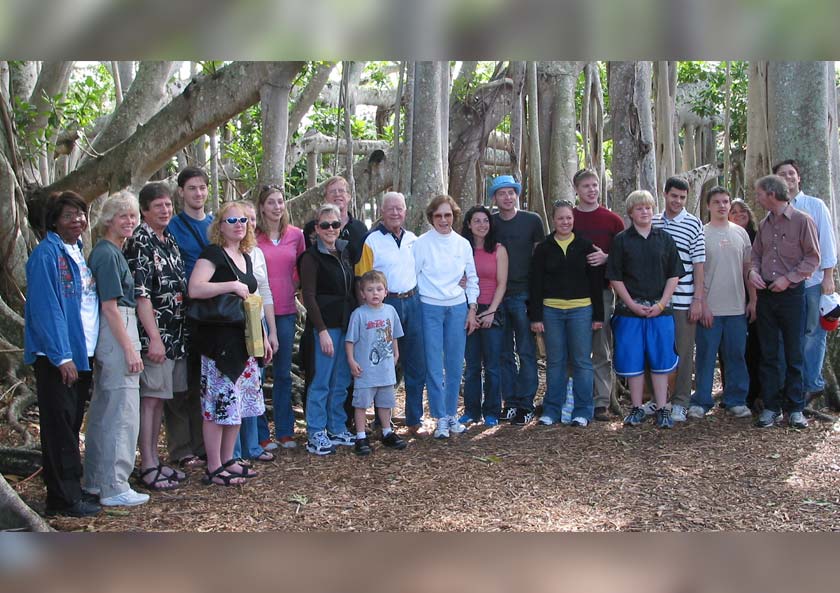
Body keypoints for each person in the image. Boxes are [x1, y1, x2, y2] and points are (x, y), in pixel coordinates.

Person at [25, 192, 101, 517]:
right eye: (70, 215)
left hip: (81, 352)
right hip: (59, 358)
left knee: (70, 425)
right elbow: (47, 309)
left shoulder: (77, 250)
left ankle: (72, 488)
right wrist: (61, 356)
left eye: (81, 214)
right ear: (54, 220)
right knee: (58, 428)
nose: (78, 221)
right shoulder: (46, 255)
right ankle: (62, 499)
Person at [188, 201, 273, 485]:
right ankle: (214, 466)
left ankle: (229, 459)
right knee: (217, 405)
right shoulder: (213, 254)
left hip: (243, 341)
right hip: (218, 342)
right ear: (220, 226)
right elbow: (195, 288)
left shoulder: (246, 256)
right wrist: (231, 286)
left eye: (243, 221)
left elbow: (251, 303)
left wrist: (262, 336)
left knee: (236, 404)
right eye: (231, 220)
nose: (239, 224)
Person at [83, 192, 149, 507]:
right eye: (123, 216)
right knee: (121, 411)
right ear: (109, 219)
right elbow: (109, 307)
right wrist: (130, 350)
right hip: (117, 330)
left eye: (133, 216)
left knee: (106, 408)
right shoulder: (107, 254)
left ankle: (95, 480)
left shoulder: (113, 251)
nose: (129, 221)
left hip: (117, 328)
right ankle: (114, 485)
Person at [123, 182, 189, 491]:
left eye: (167, 205)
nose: (165, 210)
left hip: (176, 335)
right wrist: (154, 338)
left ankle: (155, 458)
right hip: (155, 337)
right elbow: (141, 295)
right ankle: (147, 464)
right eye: (158, 206)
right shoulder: (140, 242)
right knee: (149, 400)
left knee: (161, 400)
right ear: (145, 211)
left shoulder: (169, 239)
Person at [606, 190, 682, 429]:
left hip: (661, 311)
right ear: (630, 212)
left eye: (648, 208)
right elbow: (615, 277)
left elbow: (674, 274)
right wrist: (631, 304)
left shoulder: (664, 239)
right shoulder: (621, 240)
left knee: (661, 360)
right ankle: (637, 407)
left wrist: (661, 304)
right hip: (630, 313)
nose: (645, 212)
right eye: (639, 208)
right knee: (633, 361)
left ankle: (662, 408)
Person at [749, 174, 820, 429]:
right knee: (768, 353)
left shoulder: (802, 221)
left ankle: (795, 408)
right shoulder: (765, 224)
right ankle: (771, 407)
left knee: (794, 352)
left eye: (759, 193)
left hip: (792, 295)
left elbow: (813, 258)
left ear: (771, 194)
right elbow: (756, 254)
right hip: (766, 295)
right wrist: (753, 273)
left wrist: (789, 279)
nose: (757, 198)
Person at [355, 192, 427, 435]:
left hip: (413, 301)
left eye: (400, 208)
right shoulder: (371, 241)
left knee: (416, 361)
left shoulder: (414, 240)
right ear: (382, 212)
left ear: (406, 211)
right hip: (385, 307)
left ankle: (415, 417)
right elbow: (362, 279)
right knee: (383, 363)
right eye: (390, 209)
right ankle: (381, 421)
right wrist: (366, 313)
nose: (395, 213)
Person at [530, 200, 604, 427]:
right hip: (552, 311)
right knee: (555, 361)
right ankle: (552, 409)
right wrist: (536, 317)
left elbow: (596, 282)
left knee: (582, 361)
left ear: (574, 220)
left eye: (569, 218)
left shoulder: (585, 246)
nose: (565, 222)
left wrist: (598, 316)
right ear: (553, 220)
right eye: (561, 218)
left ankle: (582, 410)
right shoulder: (543, 248)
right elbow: (536, 284)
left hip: (581, 310)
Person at [686, 187, 755, 420]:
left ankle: (735, 399)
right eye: (717, 202)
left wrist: (753, 300)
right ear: (708, 206)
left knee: (736, 354)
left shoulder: (741, 234)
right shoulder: (701, 234)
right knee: (705, 355)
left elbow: (748, 270)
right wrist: (702, 303)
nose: (722, 206)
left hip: (737, 307)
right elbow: (699, 272)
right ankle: (701, 400)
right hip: (710, 309)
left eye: (726, 201)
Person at [414, 195, 479, 439]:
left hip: (457, 308)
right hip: (429, 307)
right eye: (439, 215)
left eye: (448, 215)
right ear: (431, 217)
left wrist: (472, 309)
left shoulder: (462, 244)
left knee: (454, 364)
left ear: (454, 216)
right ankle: (439, 417)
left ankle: (451, 414)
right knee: (433, 365)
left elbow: (471, 277)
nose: (443, 220)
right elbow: (414, 275)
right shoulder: (421, 244)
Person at [772, 160, 837, 404]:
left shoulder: (815, 206)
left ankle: (812, 383)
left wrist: (829, 276)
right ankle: (790, 385)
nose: (787, 177)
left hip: (813, 281)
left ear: (799, 178)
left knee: (813, 333)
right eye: (782, 174)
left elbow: (827, 241)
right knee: (787, 335)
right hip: (786, 285)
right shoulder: (774, 210)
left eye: (791, 173)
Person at [298, 203, 357, 455]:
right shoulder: (310, 258)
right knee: (321, 380)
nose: (330, 229)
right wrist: (321, 330)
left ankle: (336, 425)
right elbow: (308, 296)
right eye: (325, 225)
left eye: (335, 224)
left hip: (346, 324)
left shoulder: (344, 252)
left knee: (341, 380)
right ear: (317, 229)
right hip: (325, 327)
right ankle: (316, 431)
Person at [165, 167, 212, 469]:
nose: (198, 193)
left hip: (211, 312)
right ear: (181, 191)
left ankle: (203, 444)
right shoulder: (172, 226)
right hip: (180, 312)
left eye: (202, 188)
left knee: (203, 381)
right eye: (192, 188)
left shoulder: (215, 224)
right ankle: (181, 447)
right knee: (179, 383)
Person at [648, 176, 705, 422]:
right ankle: (657, 399)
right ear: (665, 194)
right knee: (656, 351)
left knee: (682, 351)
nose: (678, 201)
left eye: (683, 197)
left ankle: (681, 400)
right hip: (656, 302)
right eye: (674, 196)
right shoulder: (652, 222)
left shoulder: (693, 224)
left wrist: (698, 299)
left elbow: (699, 265)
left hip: (683, 301)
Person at [490, 175, 545, 425]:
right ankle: (509, 402)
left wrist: (536, 302)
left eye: (511, 192)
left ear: (517, 195)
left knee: (526, 351)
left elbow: (540, 260)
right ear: (495, 197)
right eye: (502, 193)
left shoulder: (532, 220)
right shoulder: (489, 223)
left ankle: (526, 403)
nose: (508, 197)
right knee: (503, 353)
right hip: (496, 298)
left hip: (523, 294)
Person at [571, 169, 626, 421]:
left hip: (602, 292)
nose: (591, 190)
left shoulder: (612, 221)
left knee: (601, 347)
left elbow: (625, 257)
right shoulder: (568, 218)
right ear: (576, 190)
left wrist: (607, 258)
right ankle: (576, 398)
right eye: (586, 186)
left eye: (595, 185)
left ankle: (602, 401)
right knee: (574, 348)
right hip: (571, 293)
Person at [254, 184, 305, 449]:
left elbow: (301, 269)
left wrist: (292, 288)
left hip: (285, 312)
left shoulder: (296, 235)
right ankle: (261, 434)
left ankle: (285, 431)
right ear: (262, 206)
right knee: (258, 374)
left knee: (284, 373)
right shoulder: (252, 236)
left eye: (280, 202)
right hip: (257, 314)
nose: (277, 207)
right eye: (271, 202)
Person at [231, 199, 278, 463]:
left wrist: (270, 330)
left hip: (257, 323)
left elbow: (266, 291)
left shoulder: (257, 253)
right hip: (234, 327)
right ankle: (234, 451)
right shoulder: (224, 252)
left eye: (250, 219)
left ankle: (252, 445)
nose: (246, 224)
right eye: (240, 218)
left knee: (253, 387)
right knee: (234, 389)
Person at [345, 270, 408, 455]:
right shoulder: (359, 314)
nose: (375, 293)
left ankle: (387, 431)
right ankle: (361, 435)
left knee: (385, 402)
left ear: (386, 292)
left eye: (379, 289)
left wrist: (396, 353)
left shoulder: (390, 311)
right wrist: (351, 360)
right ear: (362, 293)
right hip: (365, 370)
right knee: (361, 403)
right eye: (370, 290)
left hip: (385, 368)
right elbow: (350, 340)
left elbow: (394, 334)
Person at [459, 205, 508, 426]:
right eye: (477, 221)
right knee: (471, 366)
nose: (482, 225)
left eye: (485, 221)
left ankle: (492, 411)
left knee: (492, 365)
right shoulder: (461, 249)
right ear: (469, 224)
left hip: (491, 310)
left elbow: (502, 283)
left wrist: (491, 311)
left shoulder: (498, 249)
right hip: (467, 310)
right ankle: (471, 410)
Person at [728, 198, 762, 408]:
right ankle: (732, 391)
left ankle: (756, 392)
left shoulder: (757, 238)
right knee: (730, 348)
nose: (739, 216)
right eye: (735, 212)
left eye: (743, 212)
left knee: (755, 346)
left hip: (753, 297)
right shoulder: (720, 235)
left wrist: (755, 300)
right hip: (728, 297)